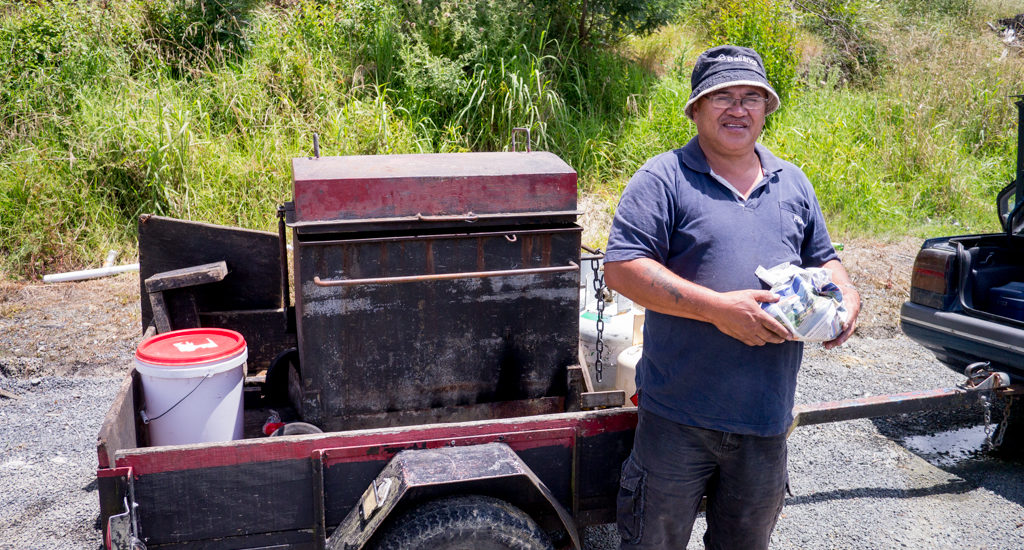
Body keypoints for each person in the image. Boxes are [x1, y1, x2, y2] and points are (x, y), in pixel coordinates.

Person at [604, 45, 861, 550]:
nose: (737, 109)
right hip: (677, 419)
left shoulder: (793, 182)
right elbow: (622, 270)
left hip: (765, 422)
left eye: (751, 97)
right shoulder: (663, 179)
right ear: (696, 109)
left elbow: (826, 259)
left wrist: (847, 297)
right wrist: (717, 309)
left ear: (767, 109)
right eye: (721, 96)